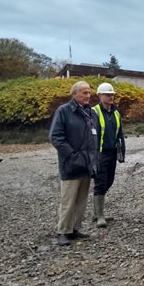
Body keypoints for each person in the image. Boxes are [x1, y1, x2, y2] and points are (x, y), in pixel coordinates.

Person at [49, 81, 98, 246]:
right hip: (70, 164)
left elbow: (94, 138)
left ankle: (75, 229)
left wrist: (94, 159)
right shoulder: (64, 111)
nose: (87, 96)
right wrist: (71, 155)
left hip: (86, 165)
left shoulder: (91, 113)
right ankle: (63, 231)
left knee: (82, 200)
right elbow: (55, 137)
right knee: (68, 200)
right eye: (84, 92)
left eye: (89, 93)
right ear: (74, 94)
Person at [92, 82, 126, 227]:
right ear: (100, 96)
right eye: (107, 94)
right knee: (100, 183)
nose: (111, 97)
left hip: (112, 153)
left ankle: (96, 211)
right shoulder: (94, 112)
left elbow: (120, 134)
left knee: (109, 181)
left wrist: (121, 152)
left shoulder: (116, 113)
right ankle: (99, 216)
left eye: (112, 94)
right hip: (99, 154)